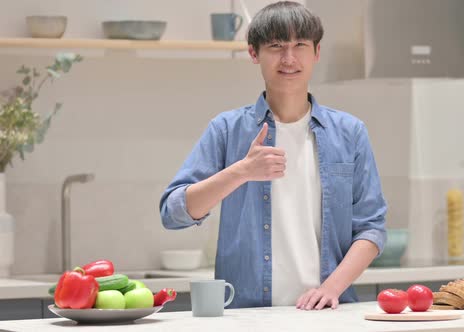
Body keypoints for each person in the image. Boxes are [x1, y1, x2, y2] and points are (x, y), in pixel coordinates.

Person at [160, 1, 387, 310]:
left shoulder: (350, 132)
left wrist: (331, 288)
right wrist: (241, 171)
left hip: (328, 314)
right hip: (249, 315)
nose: (289, 58)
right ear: (254, 53)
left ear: (316, 52)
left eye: (300, 45)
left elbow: (372, 227)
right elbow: (173, 213)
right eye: (276, 46)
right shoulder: (226, 130)